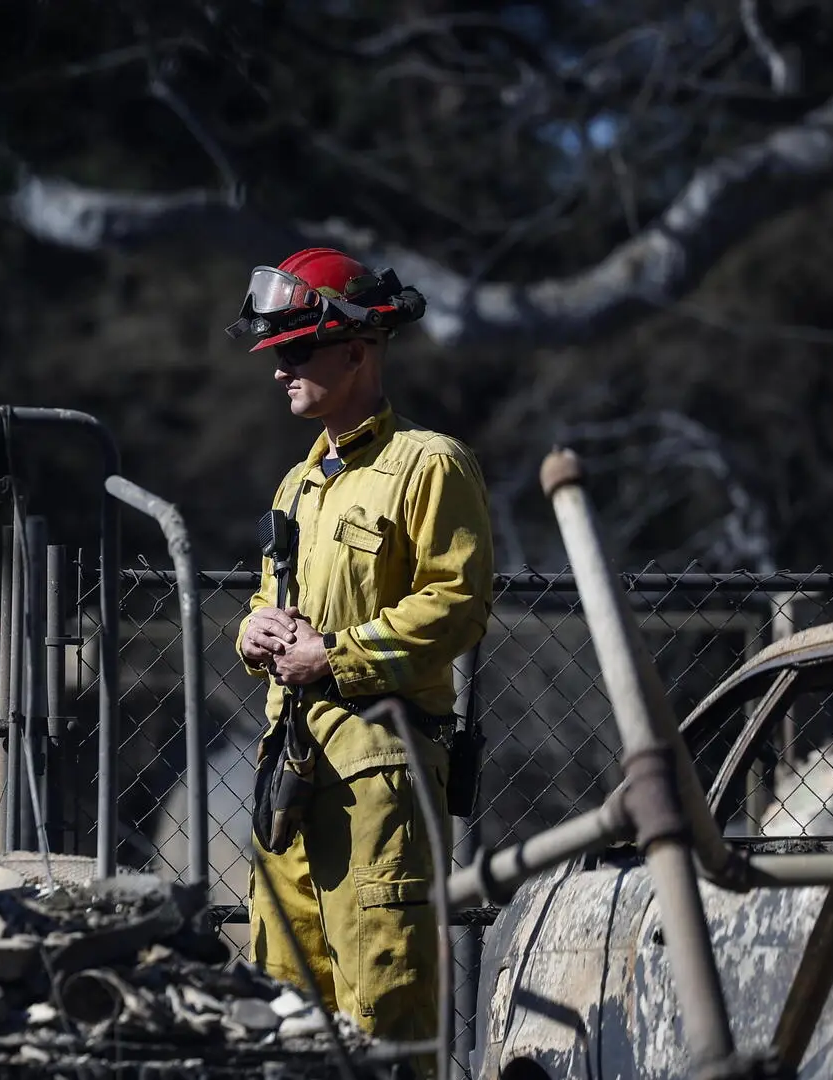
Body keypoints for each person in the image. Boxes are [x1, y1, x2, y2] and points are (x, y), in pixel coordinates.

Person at [224, 247, 495, 1052]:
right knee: (286, 1015)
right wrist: (255, 630)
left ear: (357, 348)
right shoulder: (297, 484)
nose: (279, 371)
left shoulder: (429, 464)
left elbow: (457, 603)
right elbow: (275, 601)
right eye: (274, 354)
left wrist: (334, 658)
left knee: (384, 1012)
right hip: (290, 783)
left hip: (383, 784)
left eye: (295, 350)